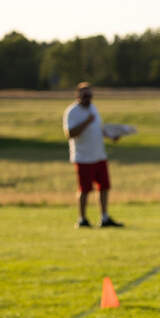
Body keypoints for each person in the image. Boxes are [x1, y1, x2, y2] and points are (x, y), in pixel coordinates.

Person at [63, 82, 123, 228]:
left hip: (99, 155)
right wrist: (86, 121)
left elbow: (99, 128)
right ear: (78, 95)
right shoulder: (72, 111)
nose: (88, 98)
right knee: (84, 189)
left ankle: (104, 217)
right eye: (85, 95)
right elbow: (70, 133)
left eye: (90, 95)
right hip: (83, 157)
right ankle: (82, 219)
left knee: (104, 186)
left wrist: (110, 136)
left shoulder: (93, 108)